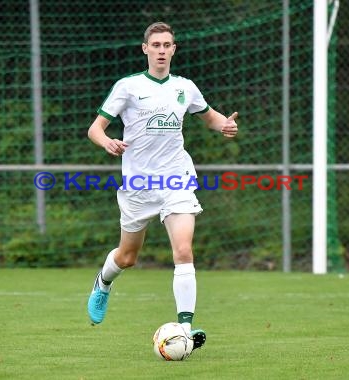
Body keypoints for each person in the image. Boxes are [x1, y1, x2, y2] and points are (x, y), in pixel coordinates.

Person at [86, 21, 238, 353]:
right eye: (155, 45)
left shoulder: (185, 87)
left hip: (176, 178)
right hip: (139, 185)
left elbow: (209, 116)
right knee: (127, 257)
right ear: (145, 49)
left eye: (167, 45)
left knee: (183, 251)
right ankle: (104, 282)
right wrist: (107, 142)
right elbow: (95, 129)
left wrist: (224, 124)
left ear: (173, 49)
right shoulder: (127, 87)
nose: (161, 50)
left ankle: (184, 328)